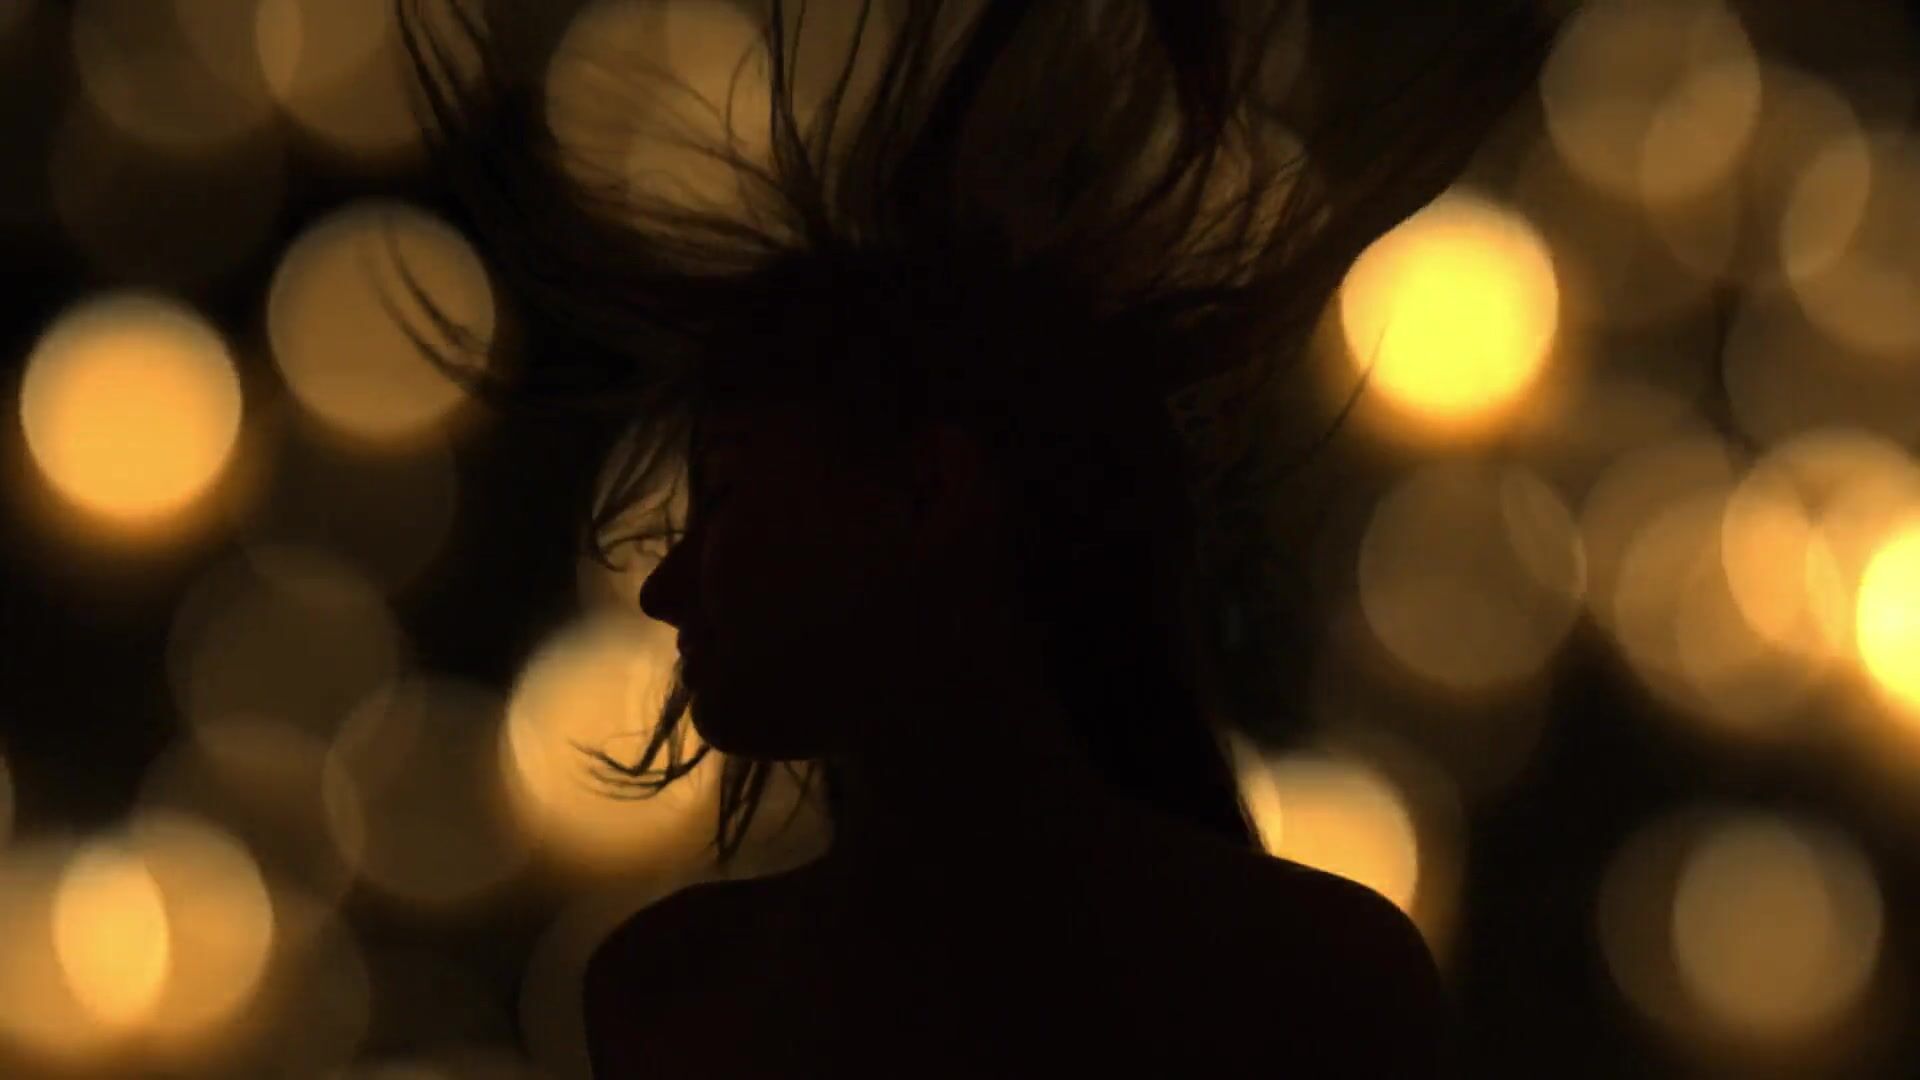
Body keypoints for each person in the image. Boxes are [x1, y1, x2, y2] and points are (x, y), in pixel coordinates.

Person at [396, 1, 1556, 1073]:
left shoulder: (690, 999)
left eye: (731, 494)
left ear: (928, 492)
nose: (667, 588)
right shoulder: (1308, 972)